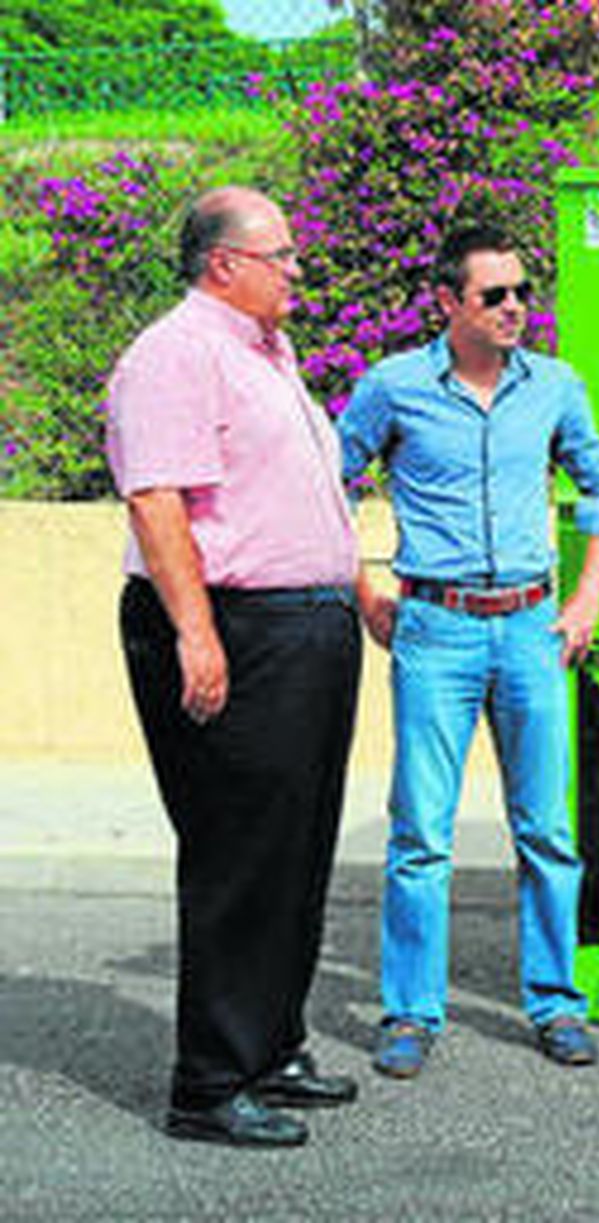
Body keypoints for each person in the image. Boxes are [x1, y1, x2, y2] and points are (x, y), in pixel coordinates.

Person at [107, 187, 363, 1148]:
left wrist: (353, 585)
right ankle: (209, 1083)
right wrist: (196, 632)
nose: (298, 267)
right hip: (235, 627)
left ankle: (271, 1045)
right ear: (224, 264)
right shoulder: (174, 355)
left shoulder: (265, 353)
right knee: (237, 853)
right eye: (282, 254)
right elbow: (157, 502)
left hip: (305, 627)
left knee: (295, 849)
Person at [338, 224, 599, 1079]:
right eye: (494, 295)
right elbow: (326, 485)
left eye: (522, 293)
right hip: (436, 629)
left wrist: (586, 598)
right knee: (421, 832)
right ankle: (410, 1012)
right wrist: (364, 593)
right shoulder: (394, 387)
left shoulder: (556, 387)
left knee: (546, 827)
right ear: (449, 303)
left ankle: (555, 1000)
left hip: (533, 629)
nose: (514, 309)